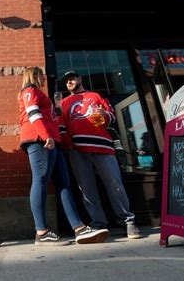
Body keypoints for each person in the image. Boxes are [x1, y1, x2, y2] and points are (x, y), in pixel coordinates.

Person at [18, 67, 109, 246]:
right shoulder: (30, 90)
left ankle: (79, 229)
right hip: (39, 140)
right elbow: (32, 113)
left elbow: (50, 117)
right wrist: (46, 136)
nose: (44, 79)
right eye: (42, 76)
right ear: (34, 76)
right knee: (40, 180)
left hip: (53, 142)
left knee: (64, 184)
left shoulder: (41, 94)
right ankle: (41, 232)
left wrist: (57, 111)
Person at [60, 70, 142, 239]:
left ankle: (128, 220)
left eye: (72, 78)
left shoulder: (95, 96)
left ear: (80, 78)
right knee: (87, 189)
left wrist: (105, 115)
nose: (69, 82)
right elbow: (61, 127)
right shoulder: (64, 102)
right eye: (67, 80)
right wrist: (69, 144)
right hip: (77, 149)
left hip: (103, 145)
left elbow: (112, 116)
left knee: (114, 184)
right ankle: (98, 223)